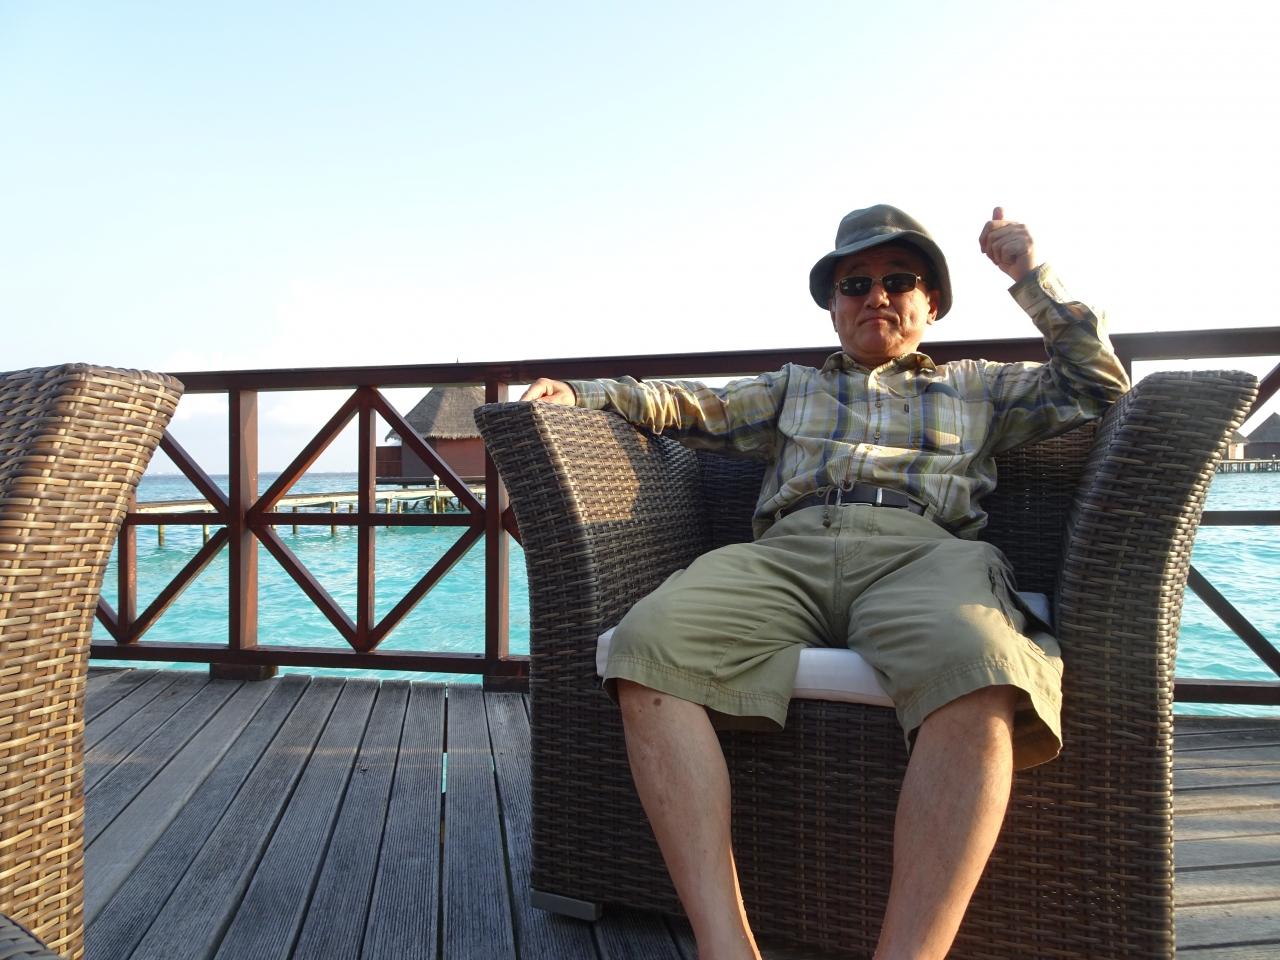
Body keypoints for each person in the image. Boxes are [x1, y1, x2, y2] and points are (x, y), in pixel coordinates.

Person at [521, 204, 1129, 960]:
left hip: (924, 551)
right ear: (834, 306)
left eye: (898, 280)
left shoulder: (978, 386)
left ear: (931, 303)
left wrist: (1028, 272)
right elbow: (688, 404)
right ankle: (724, 946)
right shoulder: (793, 388)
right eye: (854, 284)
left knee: (981, 668)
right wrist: (584, 395)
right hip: (790, 550)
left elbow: (1098, 386)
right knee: (645, 645)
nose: (876, 295)